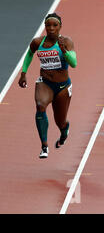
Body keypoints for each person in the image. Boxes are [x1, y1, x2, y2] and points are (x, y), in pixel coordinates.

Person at [18, 13, 77, 158]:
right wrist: (23, 72)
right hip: (45, 83)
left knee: (60, 121)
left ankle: (64, 132)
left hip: (63, 87)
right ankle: (44, 146)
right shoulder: (38, 42)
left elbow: (74, 63)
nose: (51, 28)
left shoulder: (66, 41)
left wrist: (64, 51)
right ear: (45, 27)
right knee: (40, 106)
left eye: (54, 25)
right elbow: (29, 54)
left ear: (60, 27)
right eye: (48, 25)